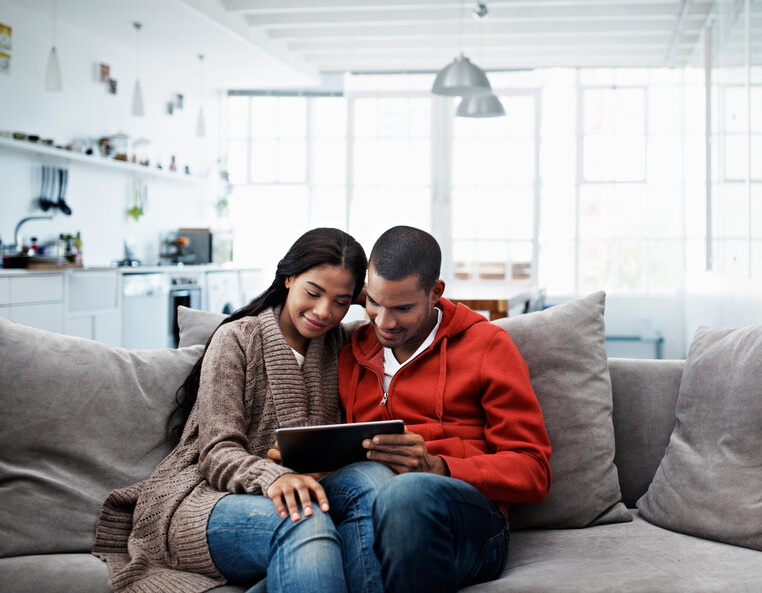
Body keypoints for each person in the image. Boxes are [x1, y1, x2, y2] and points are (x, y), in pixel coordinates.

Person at [92, 227, 391, 593]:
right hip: (209, 498)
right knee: (302, 518)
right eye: (313, 292)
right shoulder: (237, 338)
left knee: (374, 484)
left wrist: (373, 294)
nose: (323, 311)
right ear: (289, 278)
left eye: (341, 301)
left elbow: (414, 313)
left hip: (308, 487)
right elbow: (216, 452)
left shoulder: (344, 342)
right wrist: (273, 477)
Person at [337, 225, 552, 592]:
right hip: (372, 518)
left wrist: (440, 467)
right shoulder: (352, 351)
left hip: (469, 520)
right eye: (374, 302)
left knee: (405, 494)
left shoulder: (487, 346)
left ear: (435, 293)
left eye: (403, 308)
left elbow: (533, 470)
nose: (384, 323)